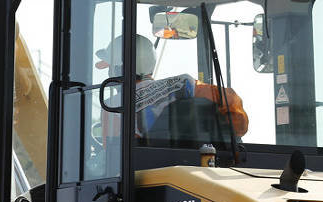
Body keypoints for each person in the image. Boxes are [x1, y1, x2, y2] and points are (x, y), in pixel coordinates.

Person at [95, 35, 248, 138]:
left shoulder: (112, 106)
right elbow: (236, 116)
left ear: (118, 69)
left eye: (110, 68)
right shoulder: (184, 83)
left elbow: (114, 158)